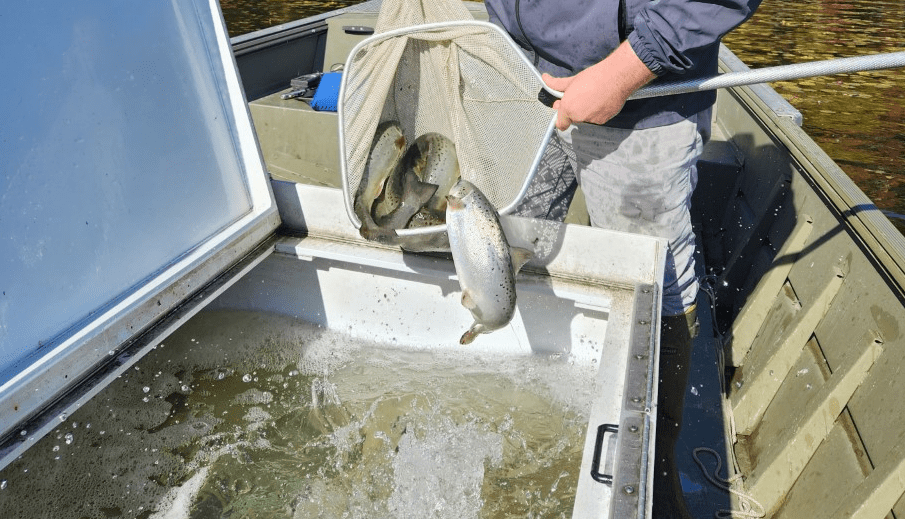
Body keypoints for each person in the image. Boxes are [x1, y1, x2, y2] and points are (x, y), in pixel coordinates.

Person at [484, 0, 762, 516]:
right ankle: (523, 416)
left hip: (642, 99)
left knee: (654, 284)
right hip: (513, 72)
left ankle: (653, 467)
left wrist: (622, 72)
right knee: (503, 250)